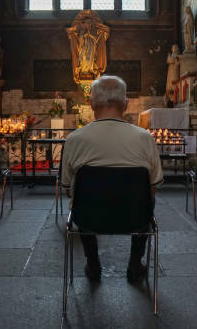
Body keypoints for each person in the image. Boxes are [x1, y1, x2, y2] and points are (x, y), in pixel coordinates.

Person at [61, 75, 163, 283]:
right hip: (136, 217)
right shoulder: (145, 138)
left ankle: (93, 264)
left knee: (79, 204)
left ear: (90, 103)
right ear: (125, 104)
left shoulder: (74, 140)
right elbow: (152, 188)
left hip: (88, 218)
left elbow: (69, 190)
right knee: (147, 202)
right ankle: (135, 265)